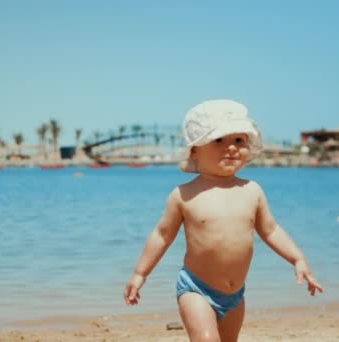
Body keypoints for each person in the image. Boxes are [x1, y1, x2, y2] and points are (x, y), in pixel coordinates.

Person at [123, 99, 323, 341]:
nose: (231, 148)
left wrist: (298, 259)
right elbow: (162, 236)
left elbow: (270, 231)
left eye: (239, 140)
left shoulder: (252, 191)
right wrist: (140, 274)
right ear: (195, 150)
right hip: (196, 289)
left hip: (235, 294)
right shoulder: (184, 195)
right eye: (219, 140)